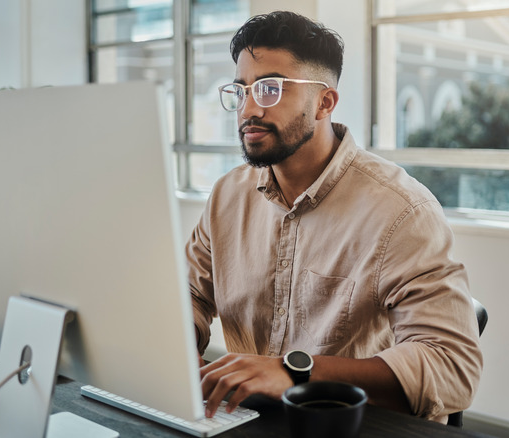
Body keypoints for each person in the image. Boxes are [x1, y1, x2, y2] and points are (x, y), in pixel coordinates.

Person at [185, 10, 483, 424]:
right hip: (245, 420)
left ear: (324, 102)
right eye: (242, 91)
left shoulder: (403, 212)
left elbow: (452, 367)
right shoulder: (226, 196)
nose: (248, 109)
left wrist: (293, 373)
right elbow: (190, 296)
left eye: (270, 89)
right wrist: (174, 349)